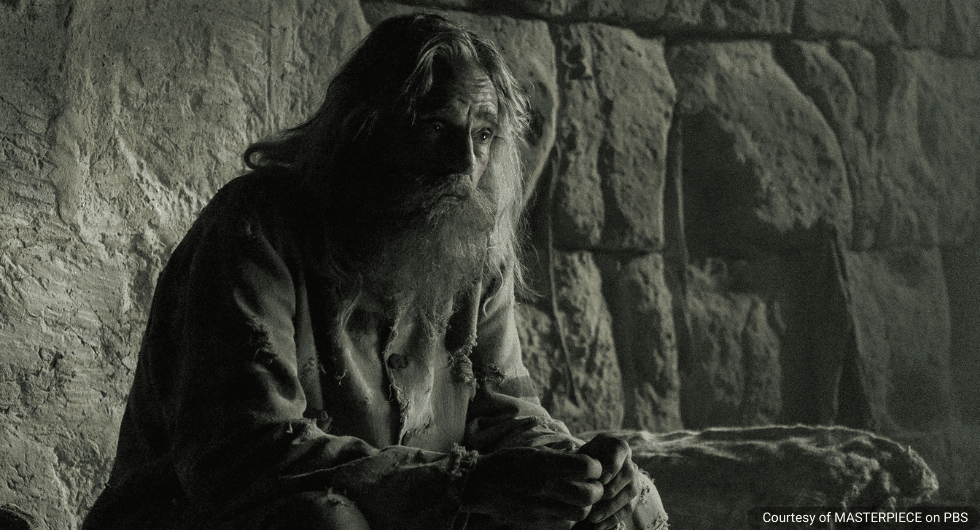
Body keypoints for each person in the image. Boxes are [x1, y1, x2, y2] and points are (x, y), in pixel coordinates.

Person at [83, 13, 668, 530]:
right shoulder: (257, 228)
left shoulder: (473, 248)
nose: (464, 163)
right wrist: (466, 484)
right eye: (435, 126)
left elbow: (506, 417)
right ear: (365, 128)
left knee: (626, 503)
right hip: (204, 515)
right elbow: (243, 452)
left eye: (483, 135)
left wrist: (581, 469)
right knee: (322, 520)